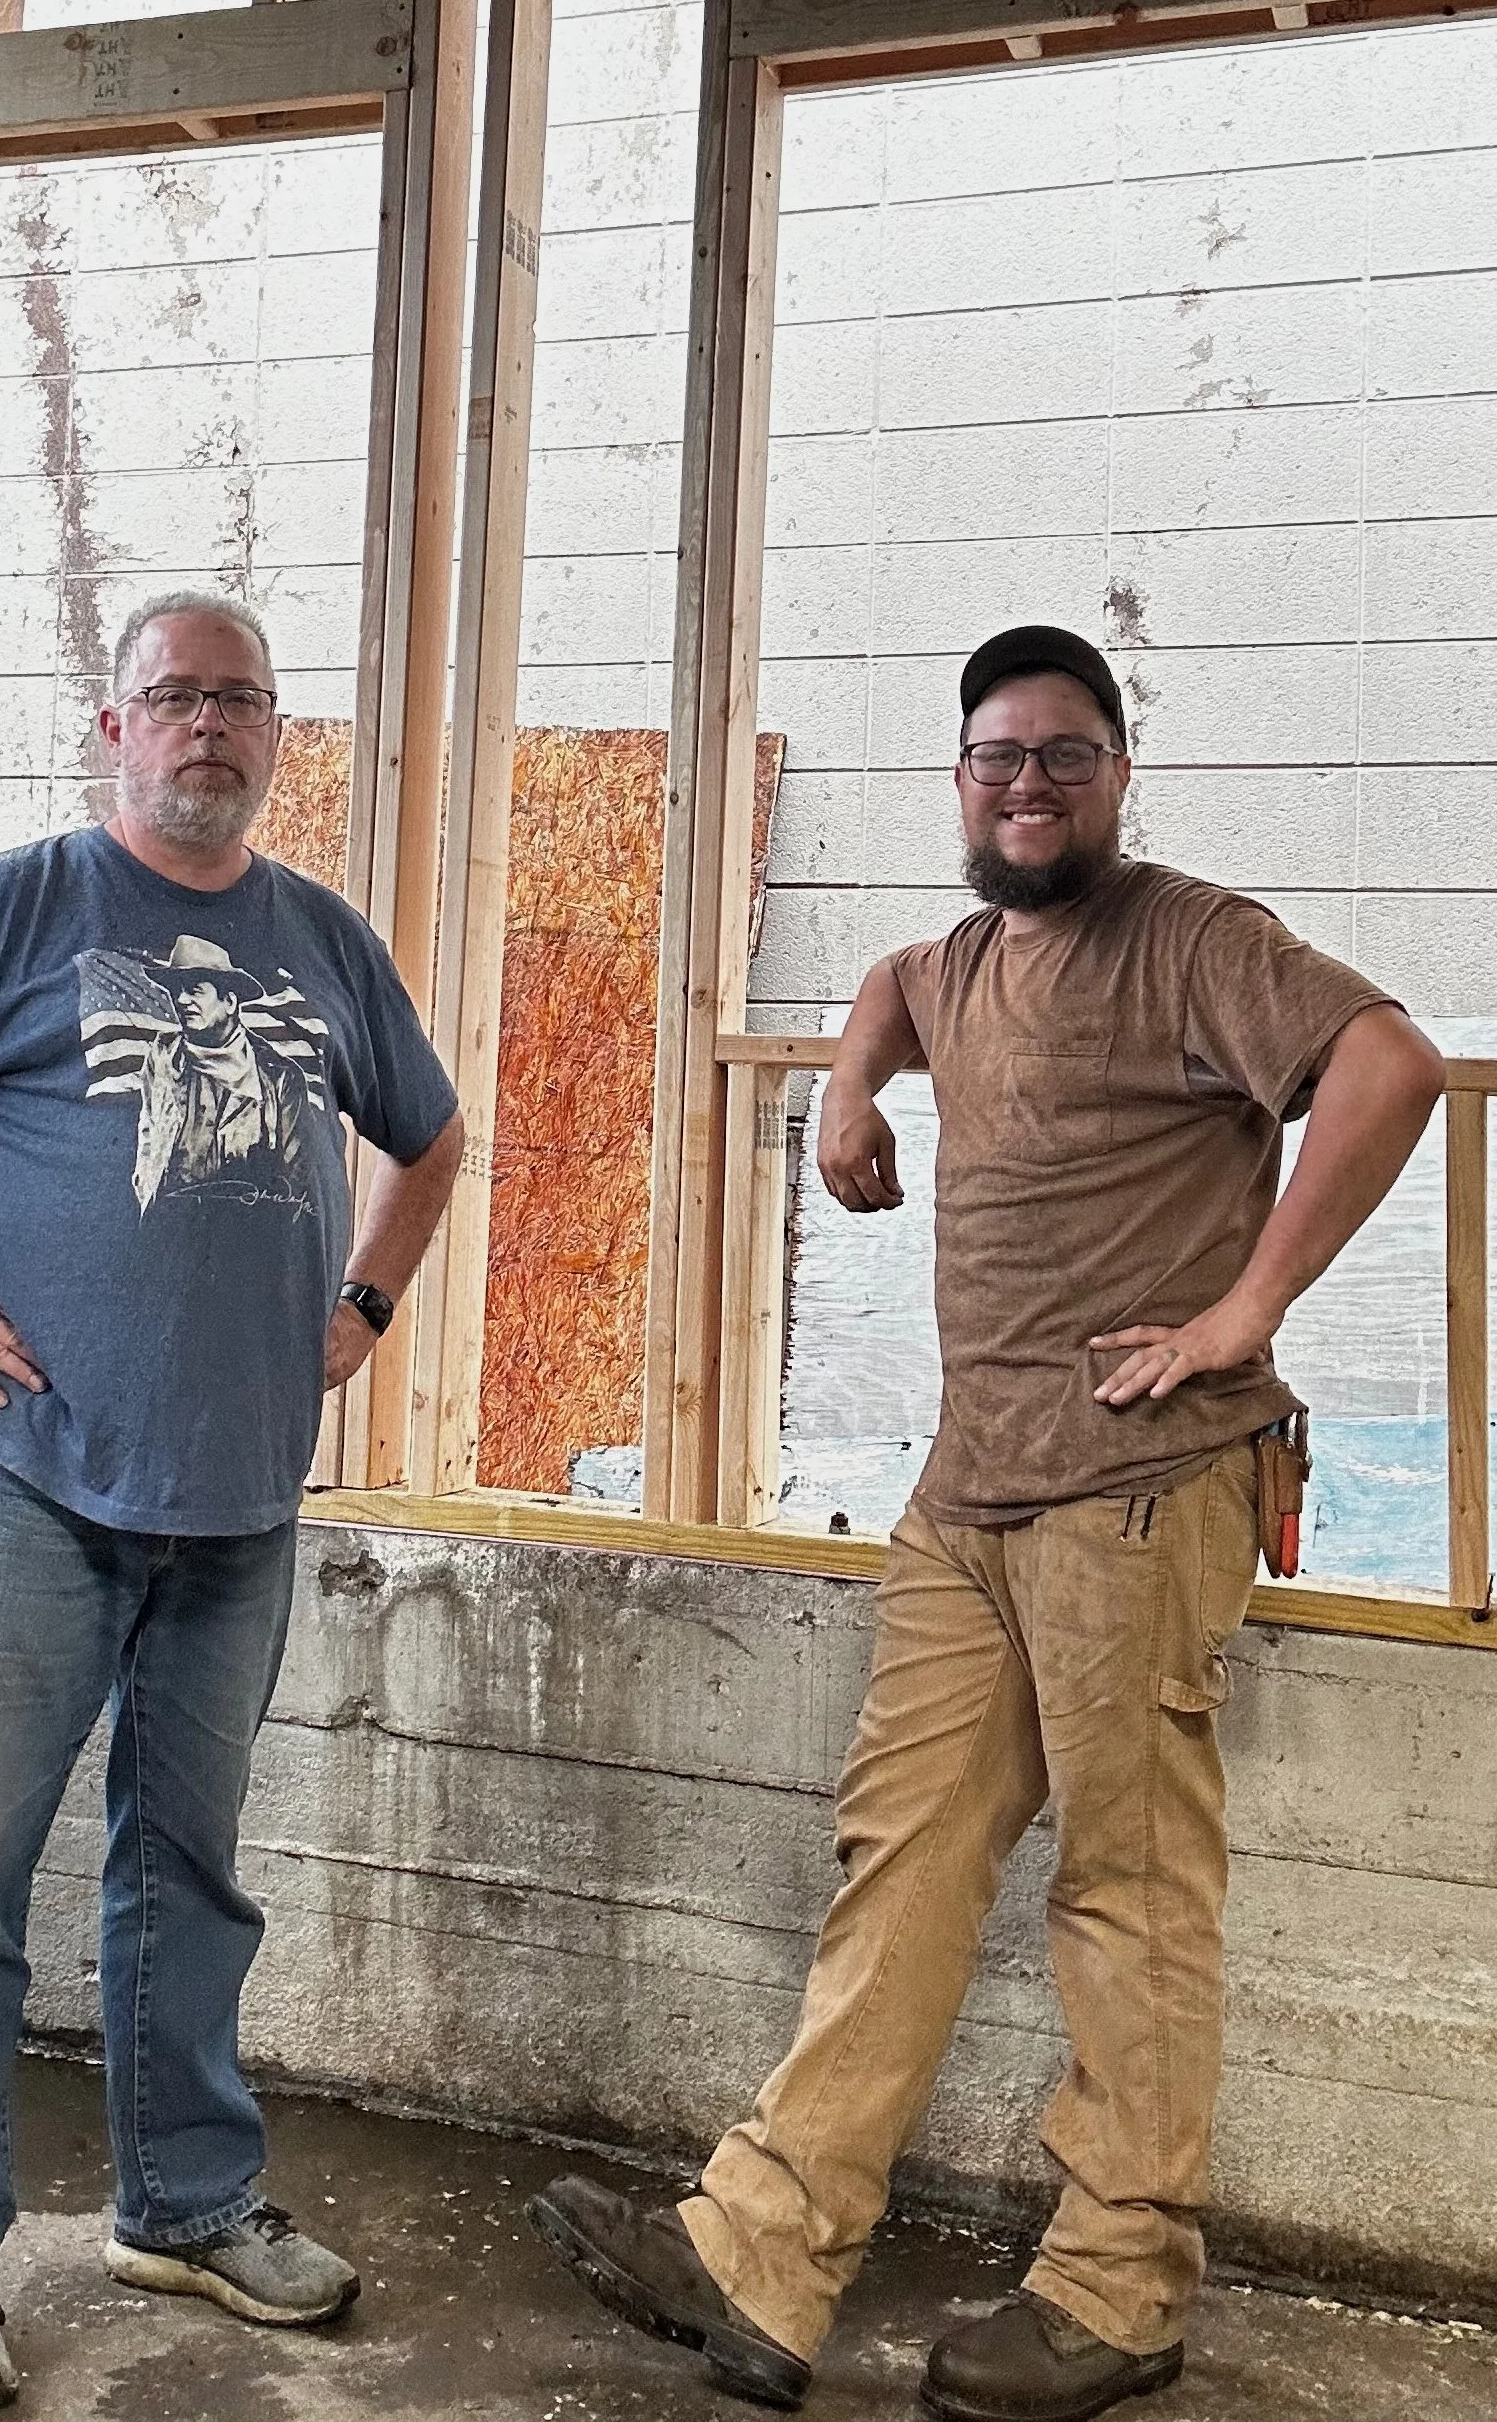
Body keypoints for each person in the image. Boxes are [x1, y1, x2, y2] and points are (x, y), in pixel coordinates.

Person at [530, 622, 1444, 2422]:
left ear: (1119, 774)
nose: (1028, 784)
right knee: (905, 1856)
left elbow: (1392, 1066)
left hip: (1141, 1490)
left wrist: (1242, 1317)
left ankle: (1119, 2288)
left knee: (1128, 1887)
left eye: (1064, 756)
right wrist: (850, 1089)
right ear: (962, 779)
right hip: (970, 1496)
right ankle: (763, 2256)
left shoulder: (1193, 939)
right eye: (997, 757)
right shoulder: (963, 958)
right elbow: (889, 979)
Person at [0, 590, 463, 2416]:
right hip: (31, 1484)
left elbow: (432, 1135)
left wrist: (362, 1305)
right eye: (174, 699)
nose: (208, 727)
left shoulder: (323, 942)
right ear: (112, 729)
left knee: (189, 1876)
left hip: (238, 1499)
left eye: (242, 703)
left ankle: (188, 2204)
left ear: (276, 738)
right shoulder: (18, 906)